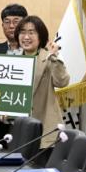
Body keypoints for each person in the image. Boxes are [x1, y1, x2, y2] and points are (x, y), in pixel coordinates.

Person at [14, 15, 69, 148]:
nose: (26, 37)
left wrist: (54, 56)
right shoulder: (12, 61)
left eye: (31, 32)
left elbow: (62, 82)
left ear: (40, 36)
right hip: (19, 130)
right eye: (22, 32)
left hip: (46, 128)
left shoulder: (49, 58)